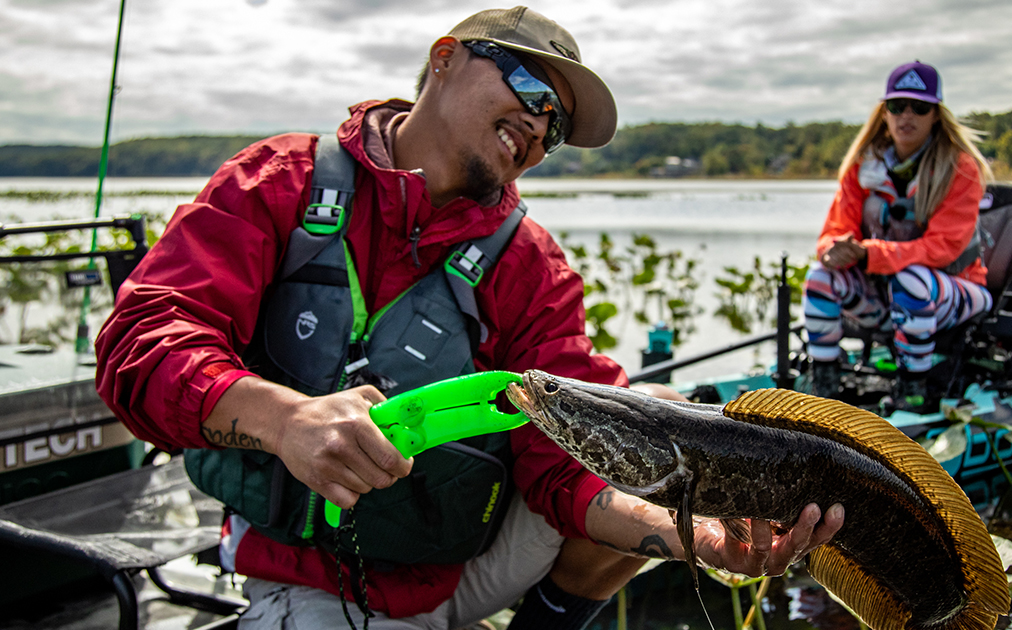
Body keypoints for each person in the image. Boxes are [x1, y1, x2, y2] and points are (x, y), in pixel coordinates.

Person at [95, 7, 843, 630]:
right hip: (316, 577)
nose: (540, 125)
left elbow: (568, 464)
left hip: (467, 567)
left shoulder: (528, 262)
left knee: (649, 451)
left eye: (556, 127)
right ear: (445, 58)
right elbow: (139, 347)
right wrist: (283, 418)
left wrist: (699, 540)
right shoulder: (281, 182)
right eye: (528, 85)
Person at [803, 60, 994, 412]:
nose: (907, 115)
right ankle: (825, 388)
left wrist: (869, 254)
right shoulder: (862, 166)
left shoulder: (961, 168)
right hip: (889, 303)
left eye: (919, 107)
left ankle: (913, 391)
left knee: (912, 280)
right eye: (897, 106)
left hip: (956, 295)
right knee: (819, 278)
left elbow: (943, 249)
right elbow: (833, 231)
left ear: (936, 114)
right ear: (884, 112)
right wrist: (833, 251)